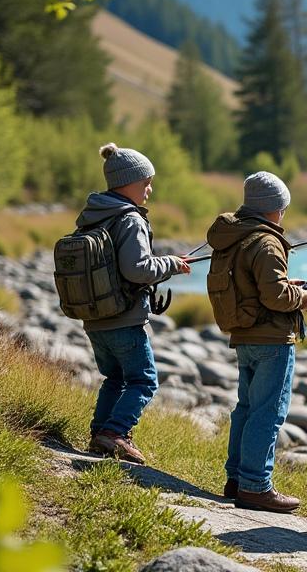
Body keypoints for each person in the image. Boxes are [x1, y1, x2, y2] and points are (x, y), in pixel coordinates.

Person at [205, 171, 307, 513]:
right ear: (274, 209)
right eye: (282, 208)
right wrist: (303, 297)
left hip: (245, 336)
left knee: (247, 408)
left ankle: (237, 479)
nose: (283, 215)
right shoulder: (267, 241)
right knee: (268, 411)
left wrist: (287, 284)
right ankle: (256, 485)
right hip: (271, 339)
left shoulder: (236, 236)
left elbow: (255, 283)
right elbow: (275, 296)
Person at [79, 143, 192, 464]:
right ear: (127, 182)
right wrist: (170, 263)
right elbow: (137, 269)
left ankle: (99, 436)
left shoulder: (94, 214)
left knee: (115, 378)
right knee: (143, 379)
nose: (150, 190)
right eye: (146, 183)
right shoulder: (129, 220)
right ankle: (115, 433)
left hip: (95, 317)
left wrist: (168, 261)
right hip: (123, 318)